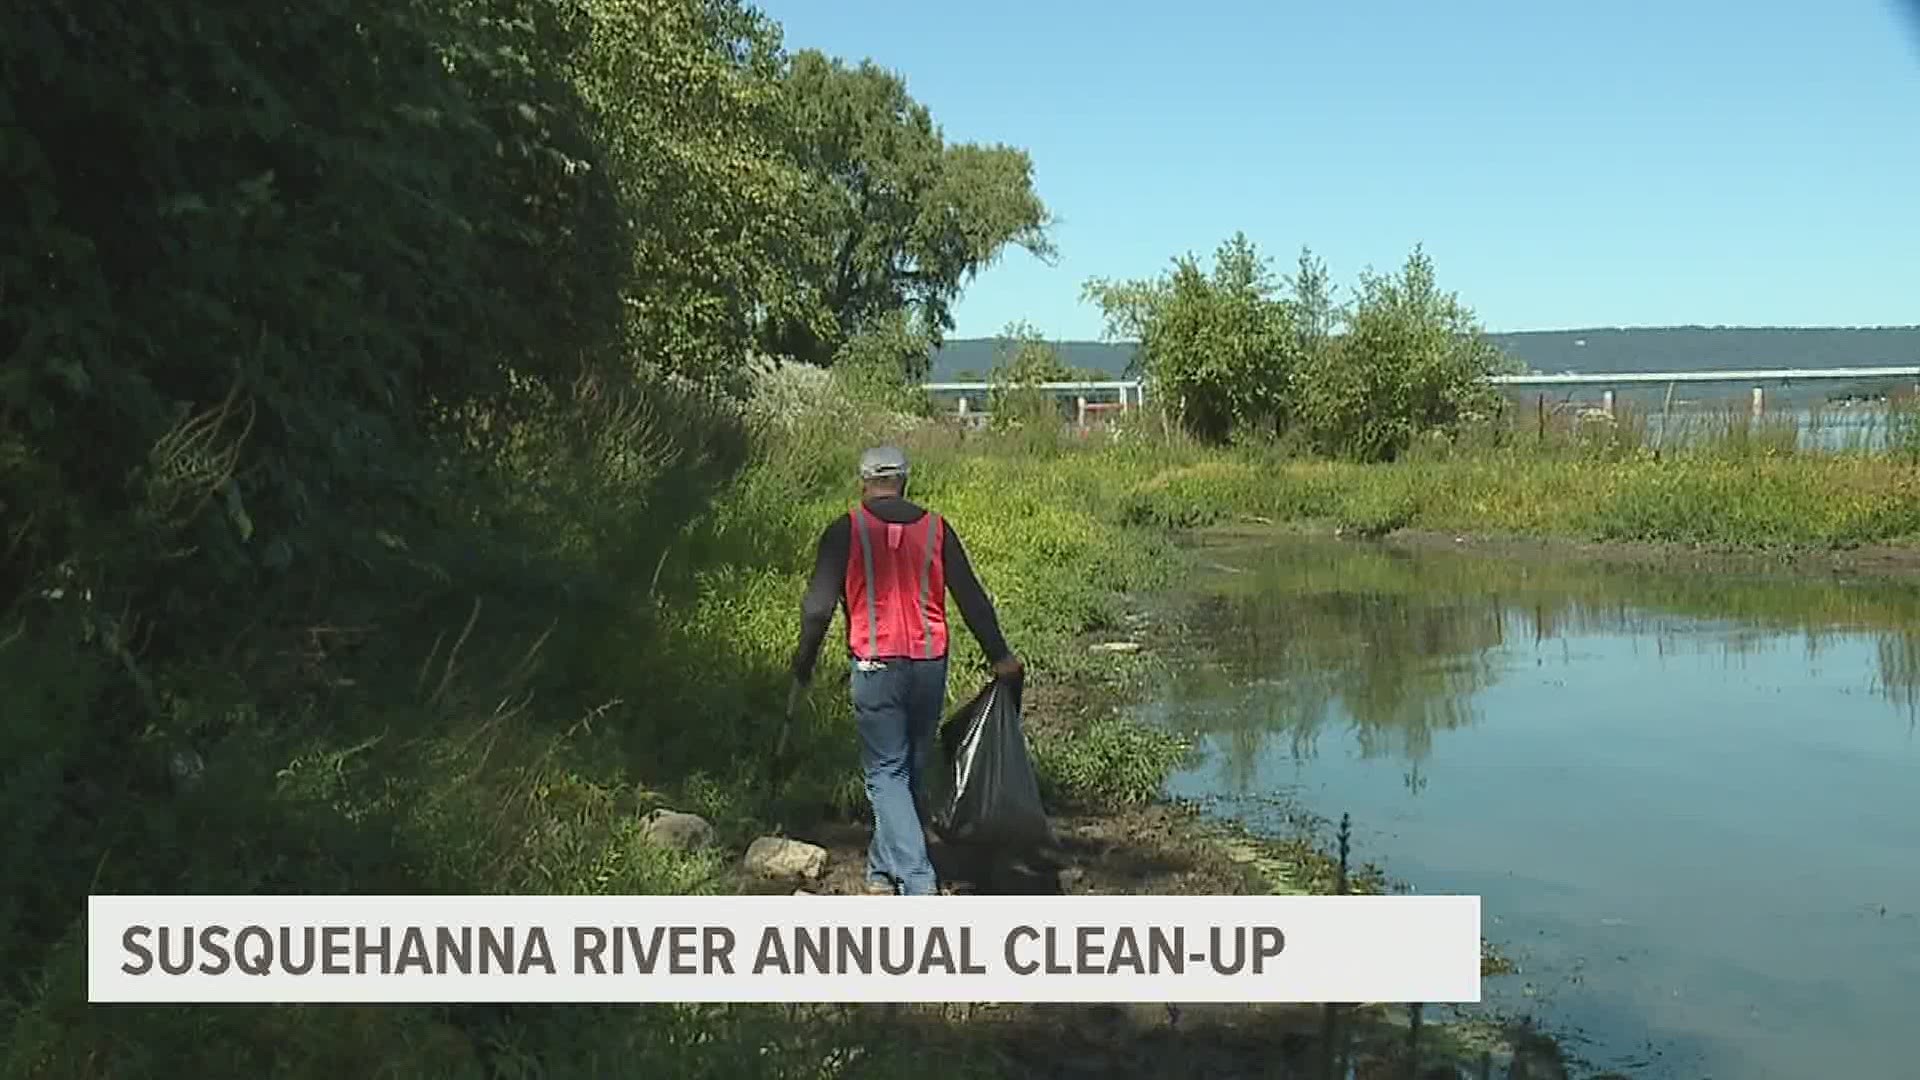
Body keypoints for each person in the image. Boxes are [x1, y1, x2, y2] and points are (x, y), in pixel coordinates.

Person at [788, 445, 1023, 896]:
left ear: (863, 484)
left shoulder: (845, 530)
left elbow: (817, 609)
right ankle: (881, 869)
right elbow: (971, 597)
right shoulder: (936, 529)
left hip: (876, 666)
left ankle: (917, 881)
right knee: (909, 767)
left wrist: (805, 659)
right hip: (929, 664)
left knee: (886, 774)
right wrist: (999, 655)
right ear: (905, 481)